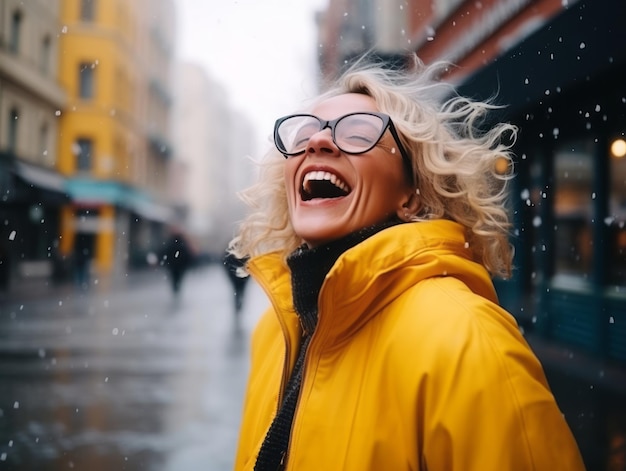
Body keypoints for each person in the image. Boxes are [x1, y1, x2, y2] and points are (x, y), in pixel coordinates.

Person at [229, 57, 586, 470]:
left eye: (359, 133)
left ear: (413, 194)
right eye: (306, 132)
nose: (317, 143)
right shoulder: (274, 330)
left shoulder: (469, 342)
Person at [160, 229, 195, 295]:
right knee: (178, 276)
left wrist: (166, 261)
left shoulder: (171, 243)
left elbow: (166, 252)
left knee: (174, 276)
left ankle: (175, 287)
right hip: (179, 265)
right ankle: (177, 286)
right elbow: (187, 254)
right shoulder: (182, 243)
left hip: (173, 264)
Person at [223, 251, 250, 316]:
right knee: (240, 291)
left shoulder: (229, 253)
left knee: (238, 291)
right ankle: (239, 305)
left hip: (238, 278)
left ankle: (238, 305)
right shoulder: (245, 254)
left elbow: (226, 265)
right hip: (240, 278)